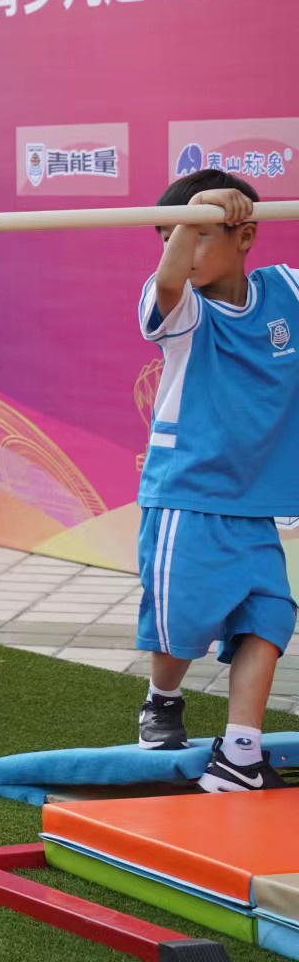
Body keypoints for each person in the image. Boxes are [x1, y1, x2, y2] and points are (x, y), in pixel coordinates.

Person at [131, 171, 297, 792]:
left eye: (201, 234)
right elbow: (169, 278)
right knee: (182, 627)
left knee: (268, 621)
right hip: (188, 498)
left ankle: (240, 753)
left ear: (244, 237)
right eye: (170, 235)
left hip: (256, 504)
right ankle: (162, 698)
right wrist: (196, 214)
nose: (179, 246)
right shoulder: (183, 308)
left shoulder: (287, 291)